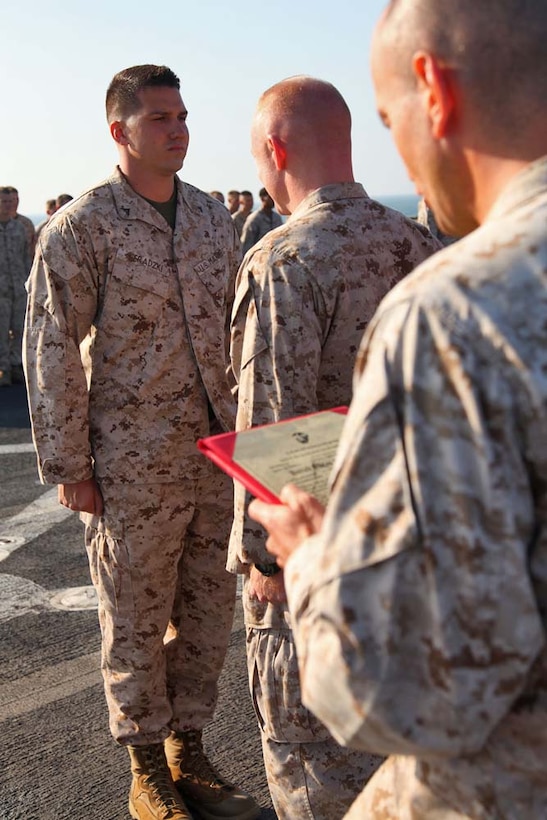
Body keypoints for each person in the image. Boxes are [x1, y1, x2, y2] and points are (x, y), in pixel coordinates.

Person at [248, 1, 547, 818]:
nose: (403, 161)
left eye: (389, 120)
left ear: (433, 90)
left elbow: (405, 691)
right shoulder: (424, 256)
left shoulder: (459, 310)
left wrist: (309, 562)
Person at [24, 64, 259, 820]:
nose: (177, 129)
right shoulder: (82, 227)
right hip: (133, 464)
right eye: (160, 117)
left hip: (216, 456)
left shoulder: (211, 219)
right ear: (118, 130)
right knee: (132, 616)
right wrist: (70, 465)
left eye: (182, 115)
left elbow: (240, 333)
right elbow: (52, 347)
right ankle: (146, 770)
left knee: (207, 614)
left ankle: (191, 753)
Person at [229, 75, 442, 819]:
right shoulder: (418, 245)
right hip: (412, 551)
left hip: (316, 555)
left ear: (276, 149)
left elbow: (271, 425)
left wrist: (266, 562)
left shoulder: (284, 259)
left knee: (312, 765)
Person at [0, 186, 31, 386]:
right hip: (1, 291)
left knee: (20, 328)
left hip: (19, 287)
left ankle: (15, 365)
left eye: (12, 201)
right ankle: (3, 369)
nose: (9, 205)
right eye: (4, 202)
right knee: (1, 331)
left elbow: (25, 257)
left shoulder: (19, 228)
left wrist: (29, 283)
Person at [240, 187, 282, 254]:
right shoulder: (254, 218)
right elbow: (246, 244)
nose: (273, 200)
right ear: (262, 198)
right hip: (259, 257)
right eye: (270, 197)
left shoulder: (277, 217)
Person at [5, 186, 36, 257]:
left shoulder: (26, 223)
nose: (15, 202)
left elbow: (33, 246)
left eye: (17, 199)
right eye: (12, 200)